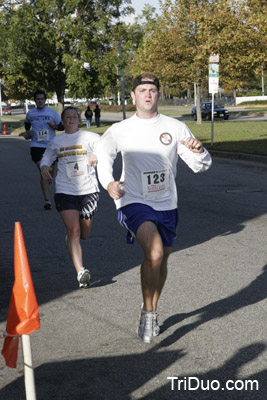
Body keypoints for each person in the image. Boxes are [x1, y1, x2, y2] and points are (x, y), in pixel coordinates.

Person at [97, 73, 212, 343]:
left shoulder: (175, 127)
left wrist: (199, 151)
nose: (147, 94)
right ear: (133, 95)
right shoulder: (120, 129)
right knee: (156, 253)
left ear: (158, 94)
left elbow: (200, 165)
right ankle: (148, 314)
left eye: (152, 90)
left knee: (161, 260)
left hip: (167, 204)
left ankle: (151, 307)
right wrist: (109, 183)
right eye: (142, 90)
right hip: (133, 200)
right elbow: (103, 155)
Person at [40, 107, 100, 288]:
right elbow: (46, 158)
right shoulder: (57, 141)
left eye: (74, 116)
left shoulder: (91, 138)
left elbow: (105, 150)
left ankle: (71, 239)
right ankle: (81, 271)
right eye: (68, 117)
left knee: (84, 234)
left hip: (89, 190)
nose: (71, 119)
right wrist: (44, 168)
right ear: (63, 121)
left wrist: (96, 155)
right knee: (73, 231)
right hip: (65, 190)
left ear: (79, 119)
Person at [22, 89, 64, 210]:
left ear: (45, 100)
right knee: (44, 170)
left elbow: (61, 126)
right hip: (36, 146)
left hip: (51, 146)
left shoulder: (52, 112)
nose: (40, 101)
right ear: (35, 100)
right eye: (37, 99)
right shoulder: (31, 113)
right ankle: (47, 201)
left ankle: (48, 180)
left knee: (50, 171)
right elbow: (27, 125)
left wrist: (55, 126)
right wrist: (28, 133)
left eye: (42, 99)